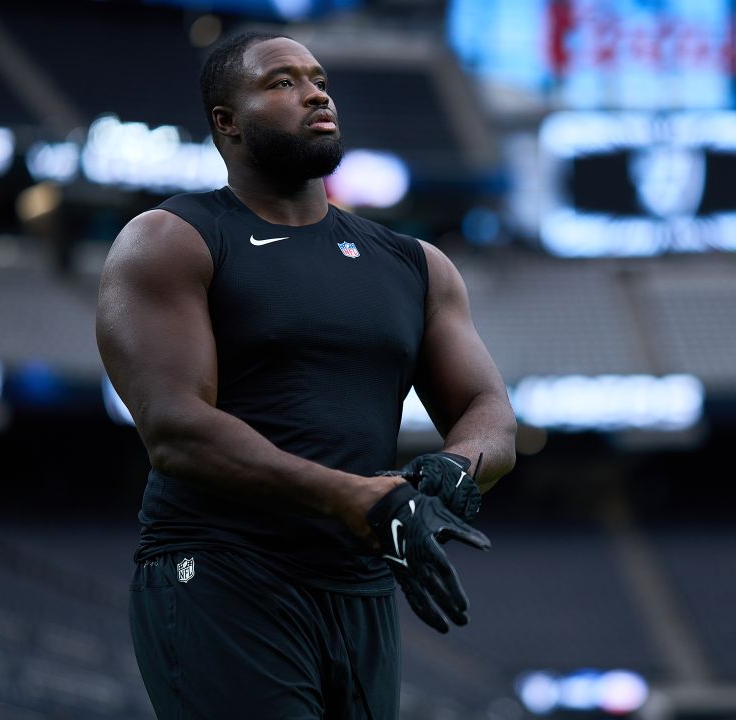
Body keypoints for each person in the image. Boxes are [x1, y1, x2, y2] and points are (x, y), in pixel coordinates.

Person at [95, 31, 516, 719]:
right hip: (225, 574)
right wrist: (355, 497)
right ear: (227, 122)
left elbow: (488, 408)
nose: (316, 93)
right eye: (281, 82)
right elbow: (176, 431)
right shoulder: (172, 238)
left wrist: (455, 467)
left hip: (362, 585)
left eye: (318, 79)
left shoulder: (414, 264)